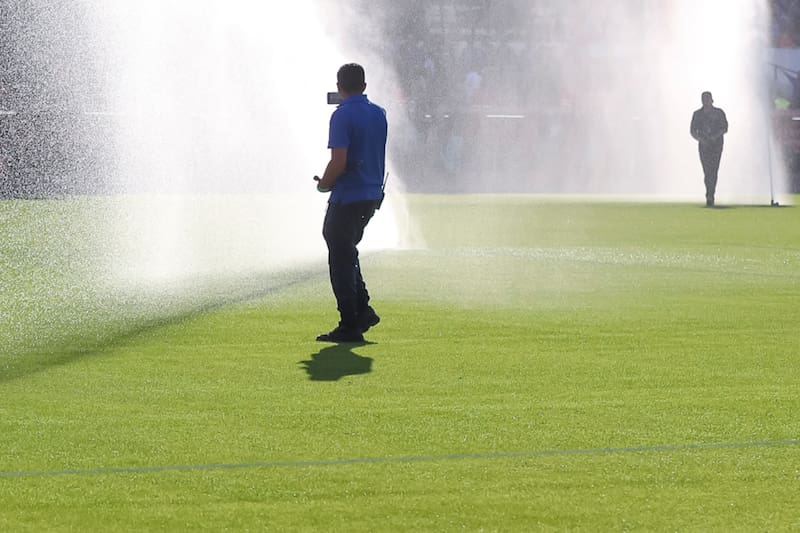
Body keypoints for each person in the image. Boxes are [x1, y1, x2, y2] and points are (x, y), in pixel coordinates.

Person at [315, 63, 387, 343]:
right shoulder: (379, 113)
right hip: (371, 194)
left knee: (339, 254)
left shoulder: (342, 115)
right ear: (364, 86)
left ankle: (350, 321)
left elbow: (339, 161)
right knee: (346, 249)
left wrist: (324, 184)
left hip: (348, 195)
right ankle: (362, 310)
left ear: (339, 86)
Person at [690, 91, 728, 207]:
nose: (706, 101)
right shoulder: (697, 114)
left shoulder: (719, 113)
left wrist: (715, 137)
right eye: (704, 99)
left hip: (716, 146)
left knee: (714, 170)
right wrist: (701, 139)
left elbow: (725, 128)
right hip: (704, 146)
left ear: (712, 100)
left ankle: (711, 194)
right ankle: (709, 193)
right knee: (707, 171)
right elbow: (692, 130)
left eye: (707, 99)